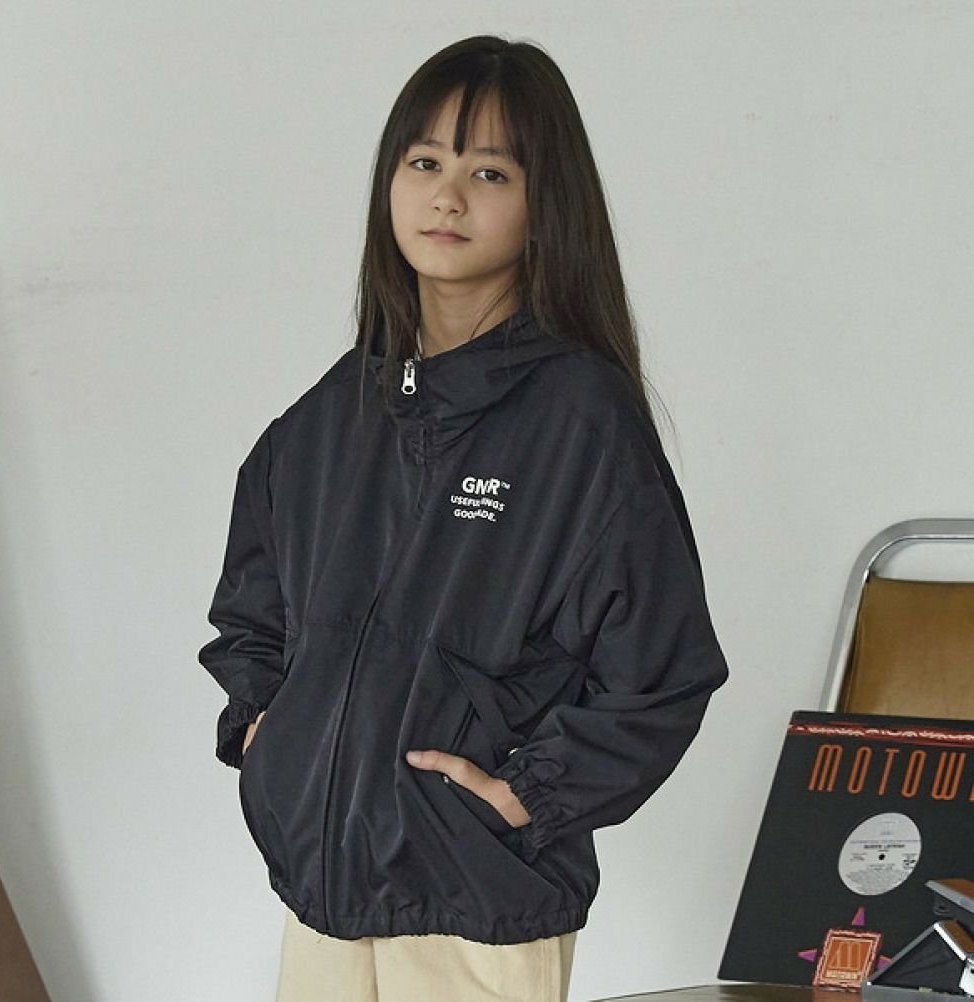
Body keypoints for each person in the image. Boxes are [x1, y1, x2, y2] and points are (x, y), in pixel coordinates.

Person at [198, 34, 729, 1002]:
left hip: (476, 909)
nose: (447, 197)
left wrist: (529, 793)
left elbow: (662, 670)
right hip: (320, 902)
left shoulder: (580, 420)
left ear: (543, 204)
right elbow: (251, 608)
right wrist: (268, 729)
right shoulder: (331, 417)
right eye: (424, 162)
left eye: (489, 172)